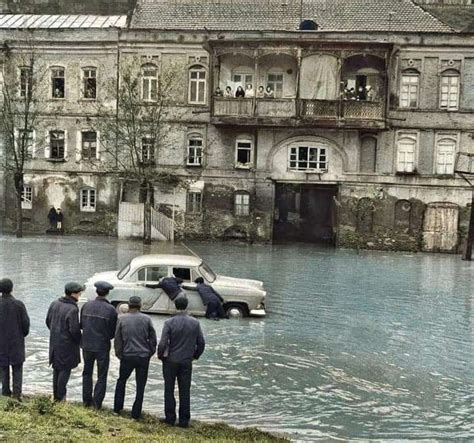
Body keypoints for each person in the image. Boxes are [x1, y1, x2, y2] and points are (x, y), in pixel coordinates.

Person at [158, 297, 205, 428]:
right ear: (186, 306)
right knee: (185, 391)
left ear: (175, 305)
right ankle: (184, 420)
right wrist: (195, 356)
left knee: (169, 389)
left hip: (170, 361)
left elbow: (163, 343)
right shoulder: (195, 323)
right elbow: (201, 343)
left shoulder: (169, 322)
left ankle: (170, 418)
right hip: (186, 361)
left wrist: (160, 355)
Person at [113, 296, 157, 420]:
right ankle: (136, 413)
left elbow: (118, 339)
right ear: (140, 305)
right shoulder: (147, 319)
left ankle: (117, 409)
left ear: (129, 305)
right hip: (143, 356)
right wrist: (150, 352)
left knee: (121, 381)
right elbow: (153, 339)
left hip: (127, 355)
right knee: (140, 385)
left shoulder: (121, 319)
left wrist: (119, 354)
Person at [80, 281, 117, 409]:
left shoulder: (86, 306)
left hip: (87, 345)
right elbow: (113, 332)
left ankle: (86, 401)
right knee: (102, 375)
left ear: (97, 292)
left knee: (87, 373)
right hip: (102, 346)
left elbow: (81, 325)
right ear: (107, 293)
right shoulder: (111, 310)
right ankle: (97, 404)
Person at [46, 282, 83, 401]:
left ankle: (56, 395)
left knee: (56, 368)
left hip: (55, 342)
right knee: (65, 370)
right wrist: (79, 341)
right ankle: (61, 397)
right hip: (67, 345)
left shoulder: (54, 303)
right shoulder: (72, 309)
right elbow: (74, 330)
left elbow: (48, 321)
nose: (80, 295)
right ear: (73, 294)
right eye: (79, 293)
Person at [0, 278, 30, 400]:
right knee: (17, 369)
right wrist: (21, 334)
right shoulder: (19, 304)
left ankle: (5, 393)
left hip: (1, 343)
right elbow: (26, 325)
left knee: (3, 368)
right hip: (16, 342)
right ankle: (17, 395)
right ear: (12, 288)